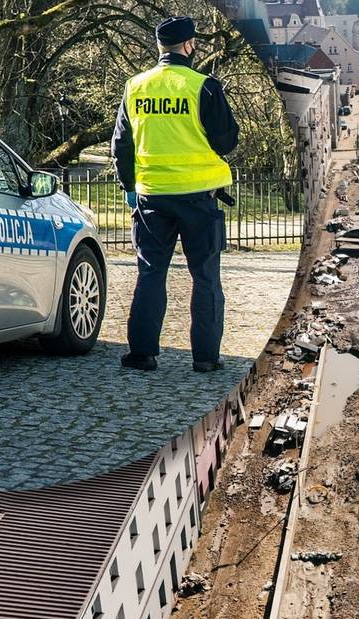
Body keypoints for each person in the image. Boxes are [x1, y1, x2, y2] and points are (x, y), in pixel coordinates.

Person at [112, 16, 240, 372]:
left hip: (152, 196)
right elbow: (226, 141)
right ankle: (205, 358)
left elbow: (122, 145)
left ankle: (141, 354)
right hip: (198, 198)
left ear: (159, 47)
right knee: (205, 277)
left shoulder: (135, 87)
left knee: (150, 273)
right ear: (189, 45)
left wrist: (129, 187)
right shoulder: (205, 86)